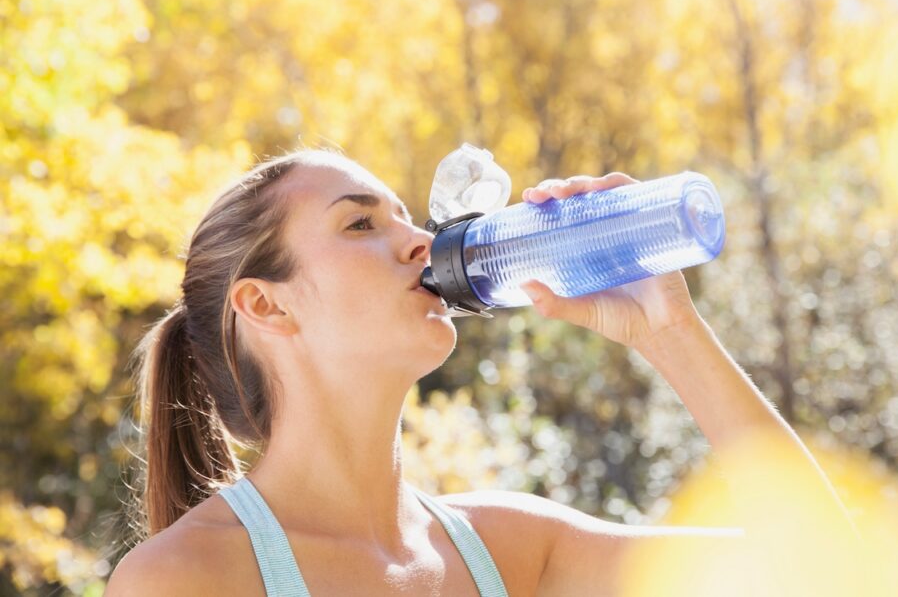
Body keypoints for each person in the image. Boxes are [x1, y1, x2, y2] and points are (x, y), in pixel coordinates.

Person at [106, 148, 856, 596]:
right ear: (265, 306)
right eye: (361, 223)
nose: (421, 243)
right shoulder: (185, 578)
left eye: (409, 218)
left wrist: (672, 333)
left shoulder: (509, 549)